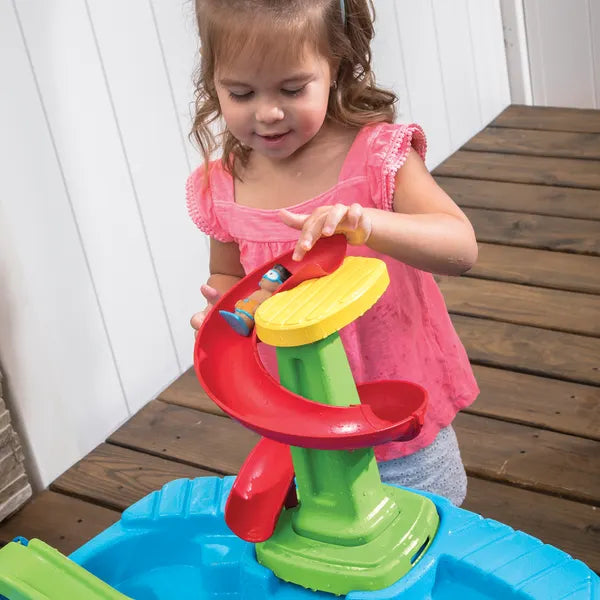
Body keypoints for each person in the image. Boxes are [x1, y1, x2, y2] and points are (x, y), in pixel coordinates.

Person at [186, 0, 479, 506]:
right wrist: (221, 309)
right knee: (329, 552)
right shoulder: (224, 186)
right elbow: (228, 274)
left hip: (399, 414)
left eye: (293, 89)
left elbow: (460, 247)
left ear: (335, 66)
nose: (268, 111)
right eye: (241, 92)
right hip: (300, 423)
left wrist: (371, 223)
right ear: (213, 82)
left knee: (426, 538)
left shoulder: (378, 159)